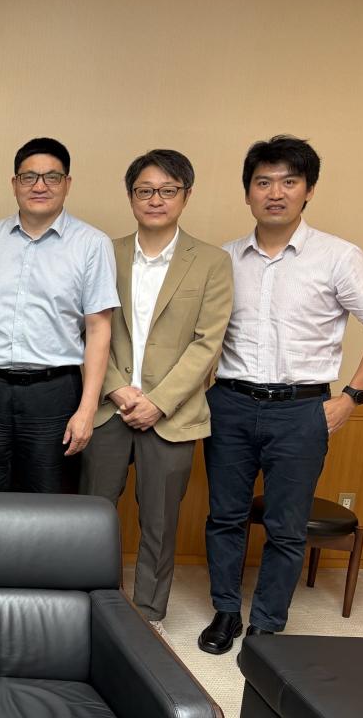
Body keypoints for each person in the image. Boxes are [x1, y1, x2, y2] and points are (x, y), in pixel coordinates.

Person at [197, 135, 363, 654]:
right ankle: (226, 612)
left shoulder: (338, 257)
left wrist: (352, 397)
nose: (275, 193)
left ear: (308, 190)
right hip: (230, 403)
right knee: (225, 517)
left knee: (286, 527)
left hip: (301, 409)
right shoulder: (223, 259)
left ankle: (267, 624)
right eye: (263, 182)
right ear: (247, 192)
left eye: (289, 181)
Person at [80, 149, 233, 632]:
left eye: (168, 190)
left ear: (186, 196)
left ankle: (148, 617)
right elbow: (85, 329)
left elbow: (208, 343)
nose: (156, 199)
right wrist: (117, 389)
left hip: (173, 414)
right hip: (109, 407)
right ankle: (95, 607)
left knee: (160, 523)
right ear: (131, 197)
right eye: (145, 190)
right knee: (94, 517)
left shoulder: (212, 262)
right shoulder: (103, 252)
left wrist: (158, 402)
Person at [0, 137, 119, 493]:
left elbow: (98, 329)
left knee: (47, 500)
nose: (39, 186)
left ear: (67, 183)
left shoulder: (92, 244)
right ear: (14, 184)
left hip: (53, 393)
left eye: (51, 177)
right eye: (29, 177)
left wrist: (87, 408)